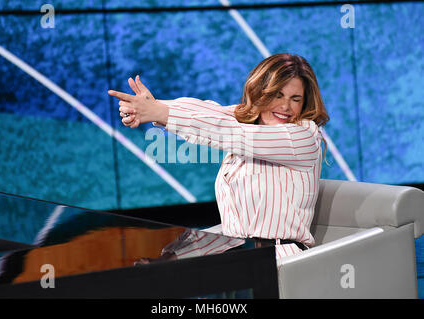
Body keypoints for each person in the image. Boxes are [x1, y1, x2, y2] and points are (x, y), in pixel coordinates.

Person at [108, 53, 329, 262]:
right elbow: (212, 111)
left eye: (295, 99)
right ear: (261, 93)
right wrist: (154, 106)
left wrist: (159, 112)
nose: (285, 106)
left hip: (281, 262)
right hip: (239, 260)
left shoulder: (304, 136)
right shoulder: (250, 124)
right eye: (277, 95)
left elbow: (229, 132)